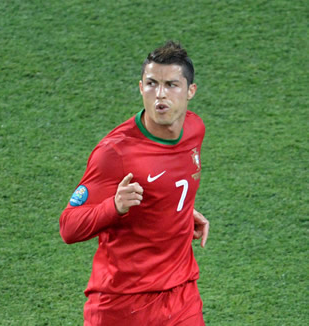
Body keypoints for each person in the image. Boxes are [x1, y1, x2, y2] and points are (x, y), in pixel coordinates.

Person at [59, 41, 210, 326]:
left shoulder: (194, 130)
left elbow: (169, 180)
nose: (160, 95)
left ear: (191, 91)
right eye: (152, 84)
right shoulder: (114, 153)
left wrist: (177, 211)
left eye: (172, 85)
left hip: (182, 295)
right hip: (123, 305)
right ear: (141, 87)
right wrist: (114, 206)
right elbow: (68, 227)